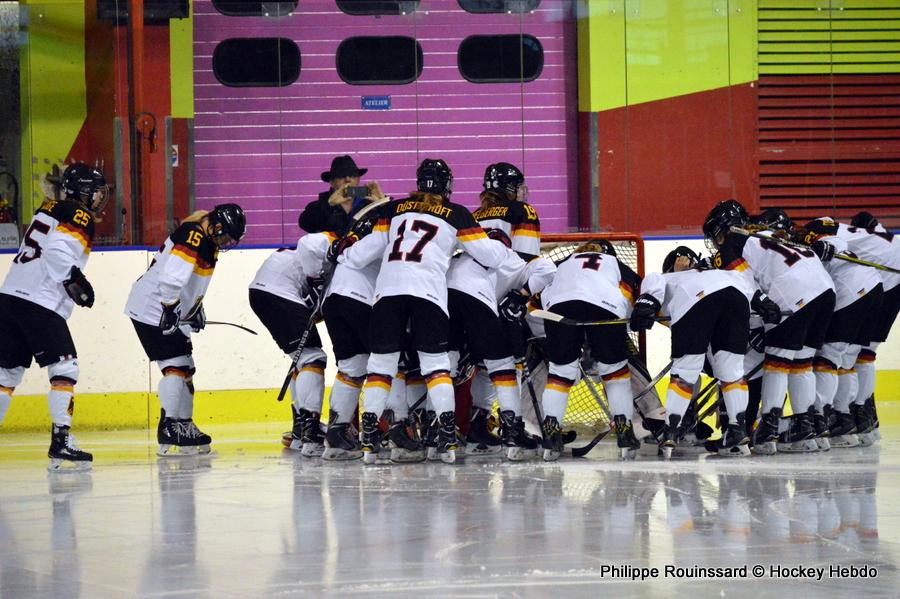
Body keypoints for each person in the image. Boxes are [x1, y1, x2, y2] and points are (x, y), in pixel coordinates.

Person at [334, 158, 507, 464]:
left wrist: (342, 250)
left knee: (381, 366)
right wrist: (498, 243)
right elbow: (491, 257)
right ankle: (446, 436)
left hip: (388, 293)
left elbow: (360, 256)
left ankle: (370, 438)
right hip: (428, 293)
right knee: (436, 366)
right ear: (447, 186)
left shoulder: (393, 209)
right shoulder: (457, 214)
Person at [703, 200, 835, 455]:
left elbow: (738, 278)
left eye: (716, 235)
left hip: (793, 293)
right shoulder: (775, 235)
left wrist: (758, 299)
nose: (717, 242)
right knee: (802, 363)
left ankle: (768, 430)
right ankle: (804, 427)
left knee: (777, 364)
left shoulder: (734, 241)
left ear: (725, 229)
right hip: (826, 290)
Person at [0, 163, 107, 470]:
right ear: (84, 192)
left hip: (9, 296)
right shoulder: (80, 215)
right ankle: (61, 442)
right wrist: (74, 279)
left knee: (6, 376)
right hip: (40, 301)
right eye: (97, 192)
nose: (99, 198)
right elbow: (57, 253)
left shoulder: (48, 208)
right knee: (65, 367)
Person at [125, 204, 246, 456]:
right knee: (176, 365)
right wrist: (170, 307)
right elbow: (171, 277)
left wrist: (195, 309)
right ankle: (169, 426)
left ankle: (183, 424)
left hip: (168, 309)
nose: (226, 242)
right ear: (217, 226)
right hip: (154, 309)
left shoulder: (205, 239)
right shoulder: (193, 235)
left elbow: (190, 281)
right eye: (226, 235)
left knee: (186, 369)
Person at [631, 246, 763, 458]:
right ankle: (737, 431)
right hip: (736, 300)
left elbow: (653, 285)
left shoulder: (667, 278)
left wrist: (645, 305)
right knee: (732, 372)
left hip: (695, 302)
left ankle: (671, 432)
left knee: (685, 371)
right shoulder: (725, 273)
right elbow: (754, 294)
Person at [538, 241, 642, 460]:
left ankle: (551, 432)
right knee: (614, 371)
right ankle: (624, 430)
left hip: (559, 307)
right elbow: (634, 296)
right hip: (605, 306)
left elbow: (537, 296)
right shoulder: (613, 262)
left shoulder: (561, 263)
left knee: (560, 372)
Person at [797, 216, 884, 448]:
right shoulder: (842, 244)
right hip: (874, 289)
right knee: (848, 358)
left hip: (853, 293)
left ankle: (824, 416)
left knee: (827, 358)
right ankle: (849, 417)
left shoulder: (825, 245)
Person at [248, 232, 333, 456]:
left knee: (302, 359)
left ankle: (300, 430)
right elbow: (309, 245)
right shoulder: (329, 241)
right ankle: (311, 431)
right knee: (313, 358)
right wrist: (316, 280)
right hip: (278, 292)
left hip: (263, 292)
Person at [474, 163, 541, 259]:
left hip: (476, 268)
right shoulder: (522, 210)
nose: (522, 191)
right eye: (519, 187)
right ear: (509, 187)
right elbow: (527, 257)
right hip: (509, 268)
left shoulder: (474, 216)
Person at [298, 155, 369, 234]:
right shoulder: (318, 206)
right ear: (331, 182)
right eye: (341, 176)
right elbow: (305, 224)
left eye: (353, 175)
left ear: (358, 179)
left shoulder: (368, 203)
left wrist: (380, 203)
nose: (347, 179)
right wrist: (329, 205)